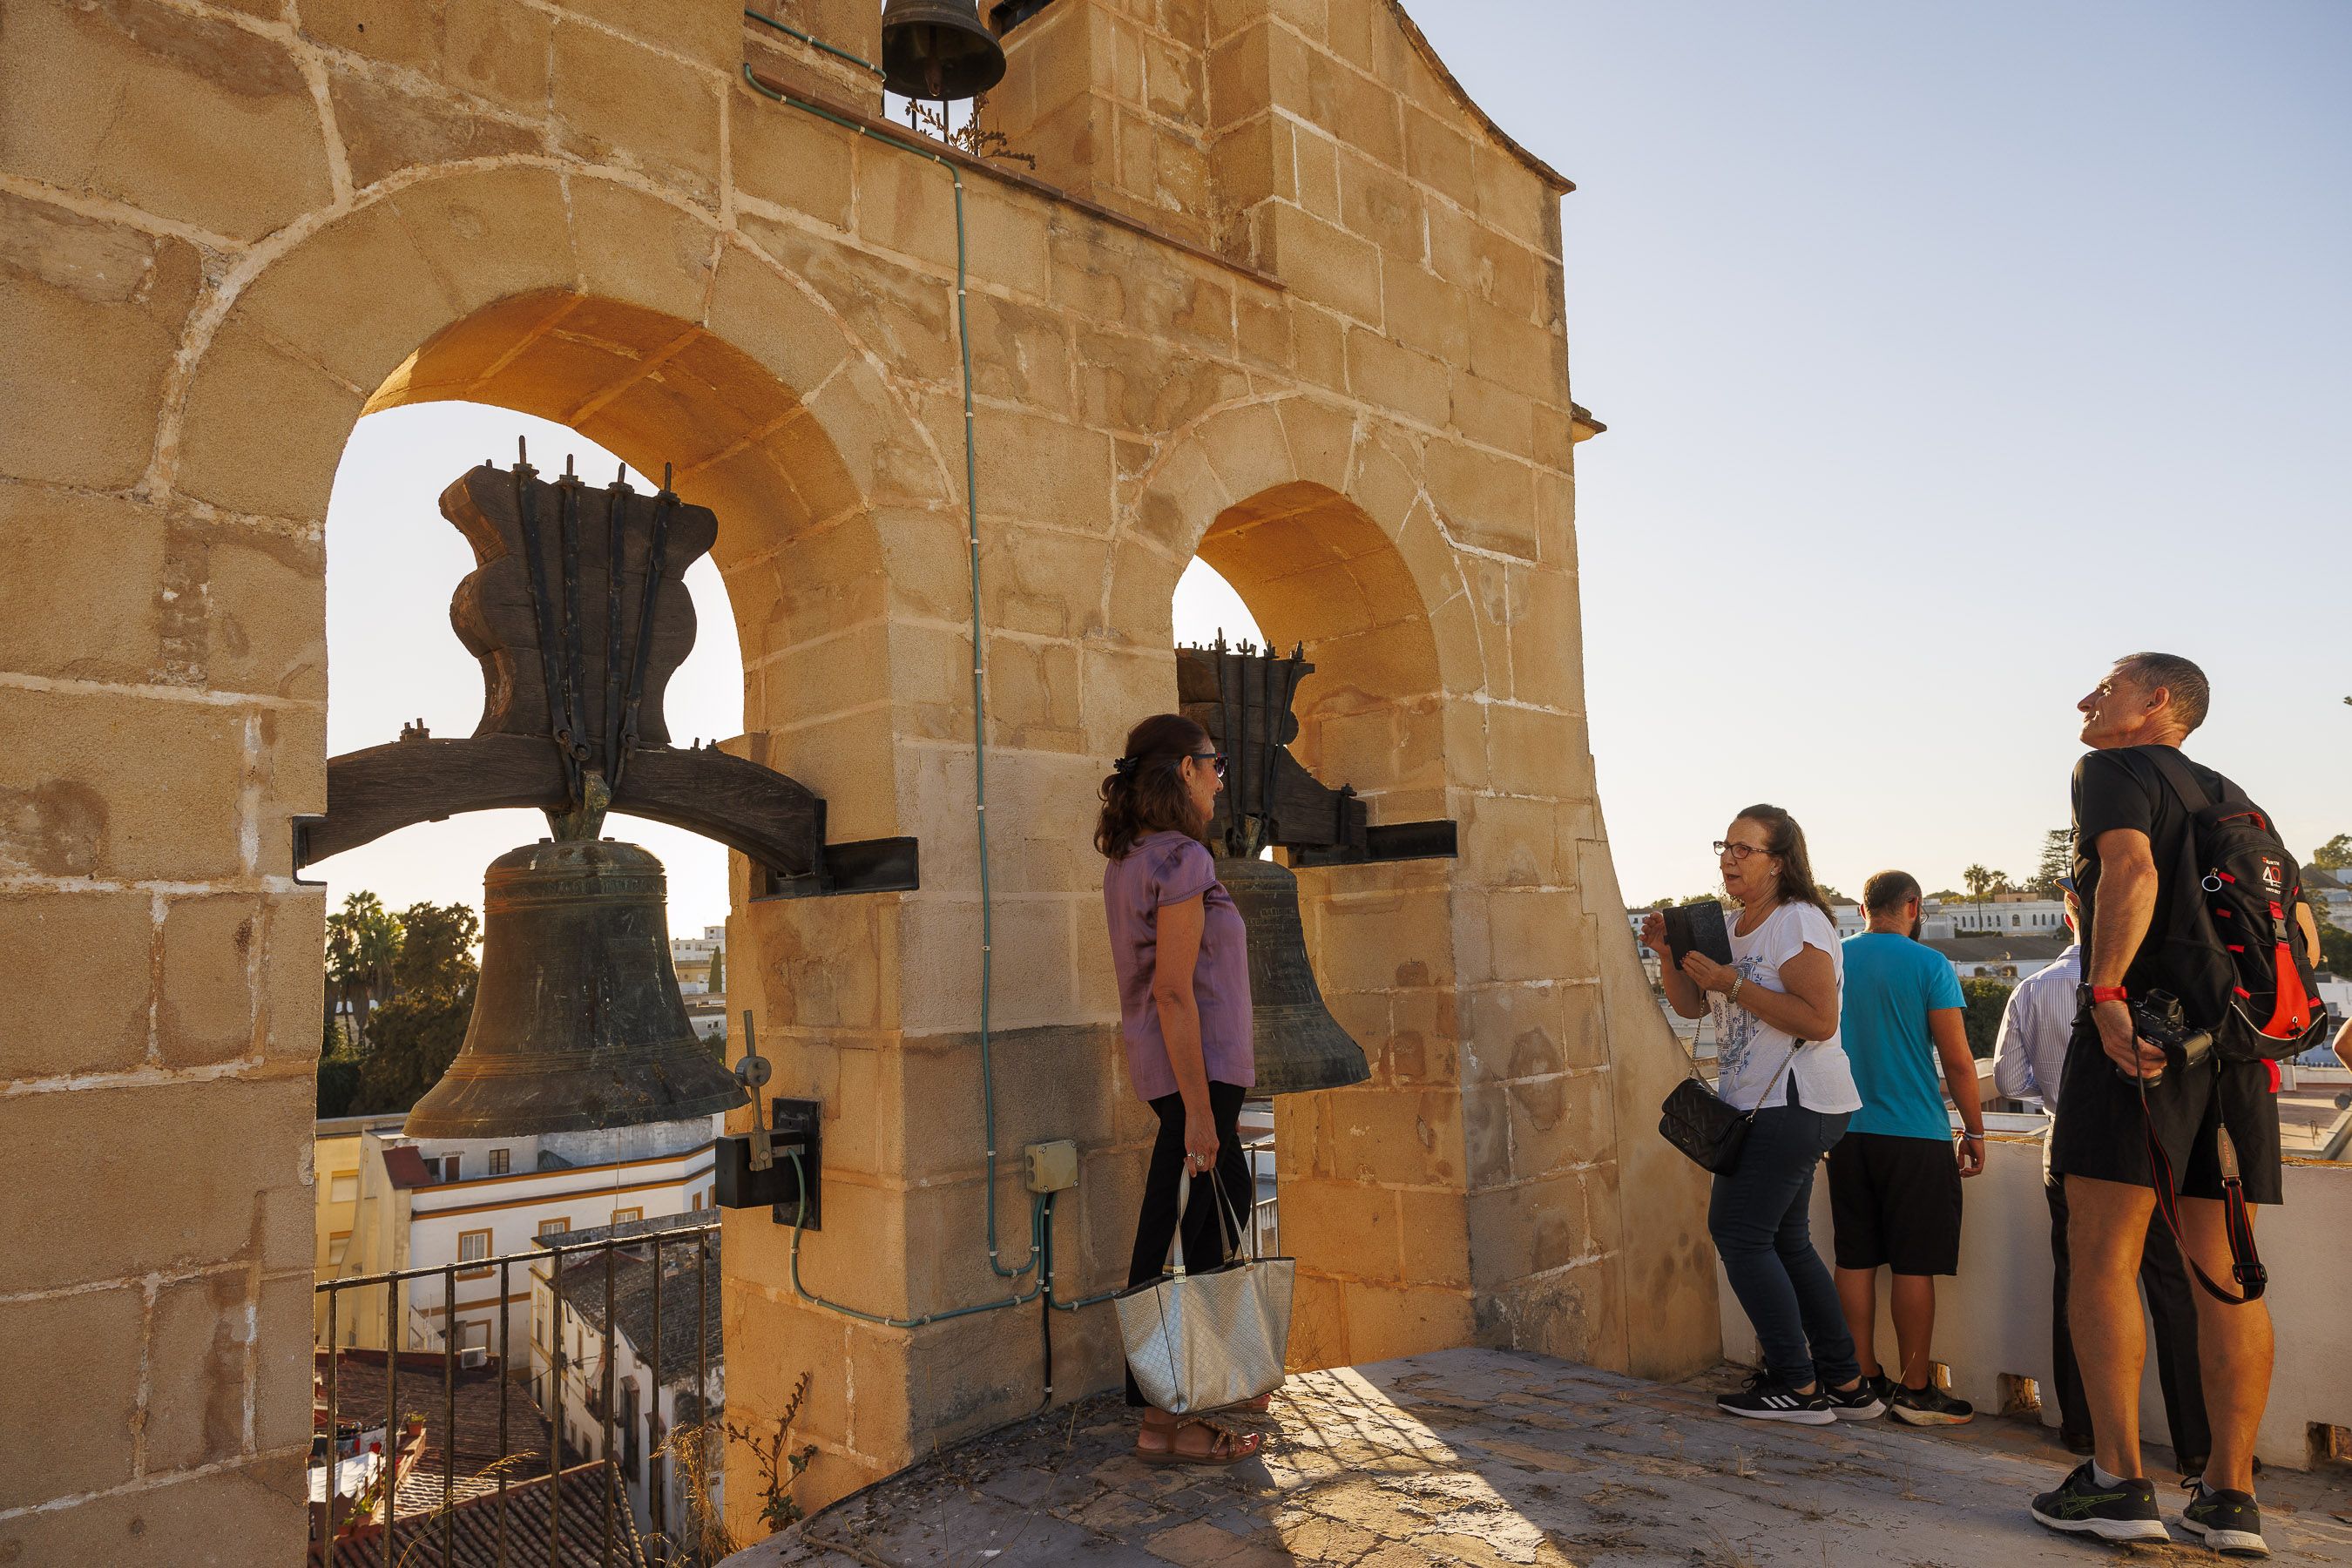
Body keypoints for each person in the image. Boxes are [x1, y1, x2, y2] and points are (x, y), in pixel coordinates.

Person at [2031, 653, 2320, 1553]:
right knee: (2225, 1272)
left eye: (2106, 687)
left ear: (2158, 703)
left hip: (2146, 1045)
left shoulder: (2113, 769)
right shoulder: (2244, 805)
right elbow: (2299, 937)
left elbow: (2131, 869)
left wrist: (2109, 994)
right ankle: (2230, 1501)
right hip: (2236, 1056)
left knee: (2102, 1254)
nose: (2086, 700)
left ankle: (2119, 1482)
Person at [1645, 805, 1882, 1425]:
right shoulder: (1728, 924)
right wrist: (1672, 955)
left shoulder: (1798, 922)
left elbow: (1820, 1020)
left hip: (1795, 1102)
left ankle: (1796, 1386)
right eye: (1724, 846)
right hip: (1765, 1106)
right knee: (1786, 1241)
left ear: (1779, 862)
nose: (1728, 858)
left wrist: (1734, 983)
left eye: (1744, 849)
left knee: (1739, 1236)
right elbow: (1694, 1007)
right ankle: (1845, 1382)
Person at [1992, 880, 2213, 1473]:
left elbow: (2011, 1085)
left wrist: (2062, 1094)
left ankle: (2082, 1433)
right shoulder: (2155, 987)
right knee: (2171, 1291)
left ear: (2069, 911)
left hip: (2067, 1144)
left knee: (2078, 1286)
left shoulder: (2034, 990)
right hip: (2148, 1144)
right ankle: (2196, 1448)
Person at [1097, 713, 1266, 1466]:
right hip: (1200, 1071)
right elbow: (1172, 990)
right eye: (1213, 762)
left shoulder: (1133, 861)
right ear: (1183, 773)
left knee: (1179, 1226)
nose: (1220, 777)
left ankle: (1168, 1415)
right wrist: (1200, 1108)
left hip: (1173, 1070)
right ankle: (1182, 1411)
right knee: (1195, 1235)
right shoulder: (1183, 861)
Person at [1826, 870, 1983, 1426]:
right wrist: (1976, 1129)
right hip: (1915, 1134)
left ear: (1865, 908)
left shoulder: (1836, 960)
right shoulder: (1930, 966)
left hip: (1846, 1132)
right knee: (1915, 1267)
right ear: (1912, 907)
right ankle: (1916, 1390)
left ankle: (1860, 1380)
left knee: (1855, 1258)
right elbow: (1960, 1061)